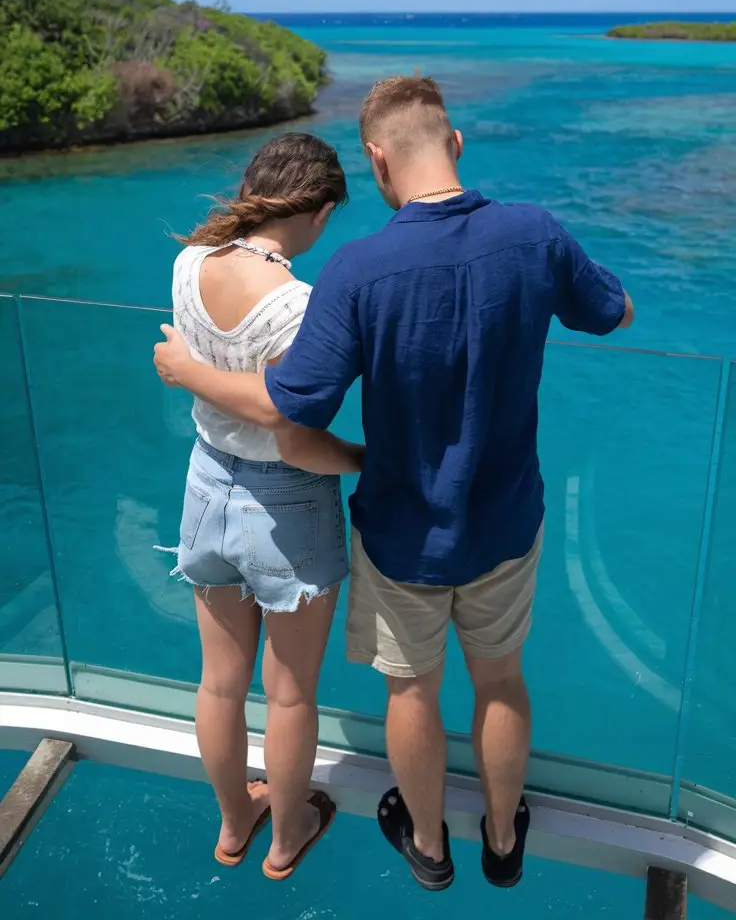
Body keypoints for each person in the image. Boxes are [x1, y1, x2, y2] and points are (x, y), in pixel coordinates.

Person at [155, 76, 634, 893]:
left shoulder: (356, 270)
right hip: (507, 519)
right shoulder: (535, 233)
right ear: (455, 143)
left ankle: (427, 844)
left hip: (402, 524)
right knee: (501, 678)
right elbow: (614, 312)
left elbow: (290, 405)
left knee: (412, 688)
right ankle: (501, 837)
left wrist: (188, 370)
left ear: (376, 161)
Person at [161, 132, 363, 881]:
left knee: (218, 681)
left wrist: (186, 373)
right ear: (320, 210)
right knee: (289, 695)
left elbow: (208, 374)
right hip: (286, 502)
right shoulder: (299, 305)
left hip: (206, 484)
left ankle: (233, 821)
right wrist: (361, 460)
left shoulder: (191, 263)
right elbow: (299, 438)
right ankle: (285, 838)